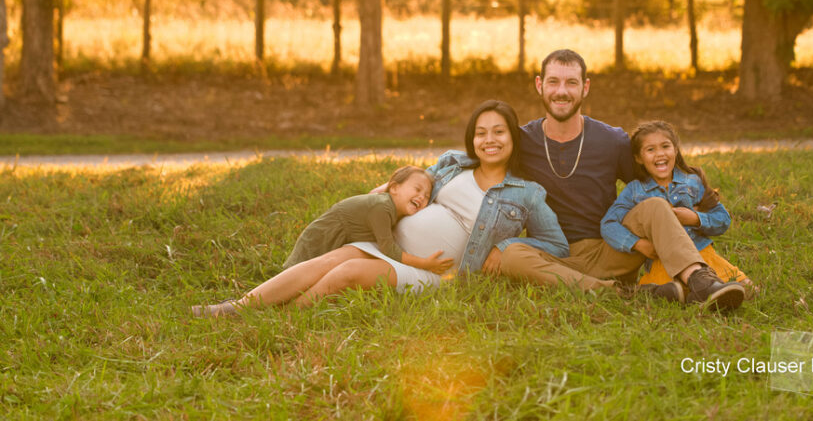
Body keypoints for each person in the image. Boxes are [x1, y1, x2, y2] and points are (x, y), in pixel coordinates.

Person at [192, 100, 568, 316]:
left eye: (499, 132)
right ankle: (237, 308)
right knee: (337, 256)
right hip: (390, 244)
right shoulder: (453, 163)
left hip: (437, 274)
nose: (489, 140)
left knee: (350, 271)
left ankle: (286, 317)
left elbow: (556, 244)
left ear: (513, 138)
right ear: (472, 138)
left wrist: (505, 248)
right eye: (481, 132)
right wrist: (384, 192)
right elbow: (413, 182)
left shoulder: (527, 194)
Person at [497, 49, 745, 311]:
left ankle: (702, 282)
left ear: (585, 87)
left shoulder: (611, 140)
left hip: (612, 248)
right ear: (540, 85)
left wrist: (695, 215)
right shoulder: (521, 142)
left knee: (654, 205)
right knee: (511, 255)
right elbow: (484, 174)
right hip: (550, 254)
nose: (562, 91)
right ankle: (630, 294)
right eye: (553, 81)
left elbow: (654, 183)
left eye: (571, 82)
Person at [601, 120, 750, 309]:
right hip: (663, 261)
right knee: (674, 291)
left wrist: (695, 219)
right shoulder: (635, 191)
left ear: (675, 150)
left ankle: (701, 291)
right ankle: (695, 294)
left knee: (748, 290)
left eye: (665, 146)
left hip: (702, 255)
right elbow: (608, 224)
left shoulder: (692, 182)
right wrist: (637, 243)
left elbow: (723, 219)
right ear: (638, 158)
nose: (660, 153)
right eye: (650, 150)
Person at [280, 165, 446, 271]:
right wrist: (424, 264)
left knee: (315, 270)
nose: (421, 197)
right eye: (417, 189)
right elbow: (389, 249)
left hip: (339, 234)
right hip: (324, 235)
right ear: (394, 188)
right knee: (302, 271)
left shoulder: (394, 211)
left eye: (426, 196)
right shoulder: (382, 207)